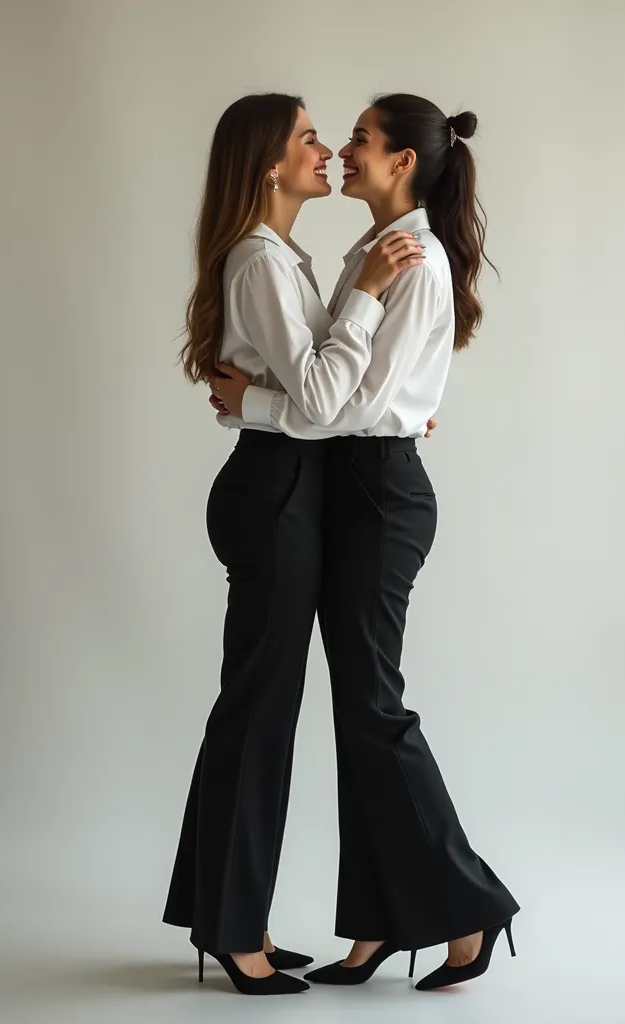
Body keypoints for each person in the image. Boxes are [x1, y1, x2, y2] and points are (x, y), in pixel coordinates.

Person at [210, 94, 520, 993]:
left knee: (374, 709)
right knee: (357, 713)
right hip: (351, 484)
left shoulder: (406, 260)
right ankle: (382, 923)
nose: (343, 151)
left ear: (403, 163)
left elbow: (333, 405)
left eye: (359, 140)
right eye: (331, 137)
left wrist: (252, 404)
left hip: (377, 494)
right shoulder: (365, 253)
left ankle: (468, 909)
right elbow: (346, 393)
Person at [162, 92, 424, 997]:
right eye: (309, 137)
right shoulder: (263, 264)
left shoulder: (284, 261)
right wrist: (367, 298)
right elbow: (312, 404)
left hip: (287, 488)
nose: (327, 151)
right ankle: (236, 935)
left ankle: (233, 919)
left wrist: (394, 409)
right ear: (269, 165)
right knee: (260, 710)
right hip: (274, 493)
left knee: (259, 706)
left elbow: (328, 397)